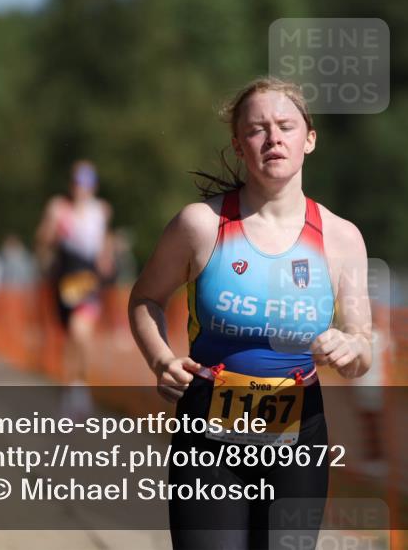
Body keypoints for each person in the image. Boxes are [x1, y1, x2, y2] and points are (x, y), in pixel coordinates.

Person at [129, 77, 373, 550]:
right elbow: (144, 299)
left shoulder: (342, 238)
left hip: (299, 438)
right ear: (239, 146)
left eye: (286, 126)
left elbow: (363, 344)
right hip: (208, 436)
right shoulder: (201, 225)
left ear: (310, 139)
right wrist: (160, 359)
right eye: (258, 129)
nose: (274, 138)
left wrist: (352, 347)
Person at [36, 160, 112, 417]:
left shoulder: (100, 210)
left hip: (87, 278)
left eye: (86, 184)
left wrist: (107, 262)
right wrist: (52, 231)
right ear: (72, 185)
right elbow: (43, 241)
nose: (81, 189)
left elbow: (103, 245)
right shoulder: (59, 208)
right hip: (64, 278)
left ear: (93, 186)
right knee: (69, 335)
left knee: (81, 332)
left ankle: (82, 385)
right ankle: (71, 388)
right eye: (78, 183)